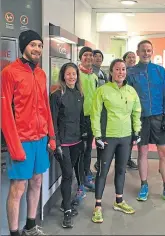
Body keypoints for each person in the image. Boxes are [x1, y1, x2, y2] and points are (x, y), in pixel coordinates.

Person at [1, 30, 56, 236]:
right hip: (21, 139)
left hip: (40, 138)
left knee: (37, 181)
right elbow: (5, 112)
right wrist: (14, 146)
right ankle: (14, 233)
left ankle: (30, 226)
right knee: (18, 187)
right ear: (23, 46)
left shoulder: (41, 74)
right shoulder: (9, 72)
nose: (37, 49)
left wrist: (51, 136)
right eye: (33, 45)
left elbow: (45, 107)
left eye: (40, 46)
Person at [127, 40, 165, 205]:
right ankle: (144, 185)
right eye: (143, 50)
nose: (146, 53)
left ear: (152, 52)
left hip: (159, 118)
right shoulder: (131, 73)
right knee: (142, 152)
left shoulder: (159, 71)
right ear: (138, 52)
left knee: (164, 153)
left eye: (149, 50)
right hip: (140, 119)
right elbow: (128, 97)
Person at [90, 59, 141, 223]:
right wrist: (97, 136)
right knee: (102, 172)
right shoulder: (102, 90)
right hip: (107, 137)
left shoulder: (131, 91)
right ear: (111, 72)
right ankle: (97, 206)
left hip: (125, 137)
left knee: (121, 170)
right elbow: (95, 114)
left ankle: (119, 201)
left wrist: (137, 130)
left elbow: (136, 112)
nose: (121, 72)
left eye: (123, 69)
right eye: (117, 69)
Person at [49, 63, 87, 228]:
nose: (72, 77)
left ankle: (67, 203)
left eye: (74, 74)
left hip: (77, 141)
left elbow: (80, 118)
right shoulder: (57, 95)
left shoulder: (79, 94)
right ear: (63, 76)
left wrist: (84, 137)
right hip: (62, 143)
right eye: (68, 74)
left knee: (70, 174)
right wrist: (55, 143)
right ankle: (66, 210)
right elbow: (53, 121)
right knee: (67, 175)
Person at [77, 46, 97, 191]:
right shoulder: (76, 75)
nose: (89, 58)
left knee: (89, 148)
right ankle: (81, 179)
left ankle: (86, 174)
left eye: (91, 55)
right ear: (80, 58)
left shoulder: (94, 76)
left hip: (92, 118)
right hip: (79, 118)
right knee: (81, 150)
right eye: (85, 55)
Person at [92, 49, 108, 172]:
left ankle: (99, 162)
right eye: (95, 56)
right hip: (90, 110)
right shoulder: (88, 72)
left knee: (100, 137)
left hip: (101, 111)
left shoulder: (103, 73)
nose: (98, 58)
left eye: (100, 56)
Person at [123, 51, 138, 169]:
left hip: (135, 107)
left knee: (132, 134)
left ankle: (127, 159)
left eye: (133, 57)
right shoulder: (121, 72)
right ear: (125, 60)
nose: (132, 59)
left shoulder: (138, 73)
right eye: (129, 57)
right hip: (123, 108)